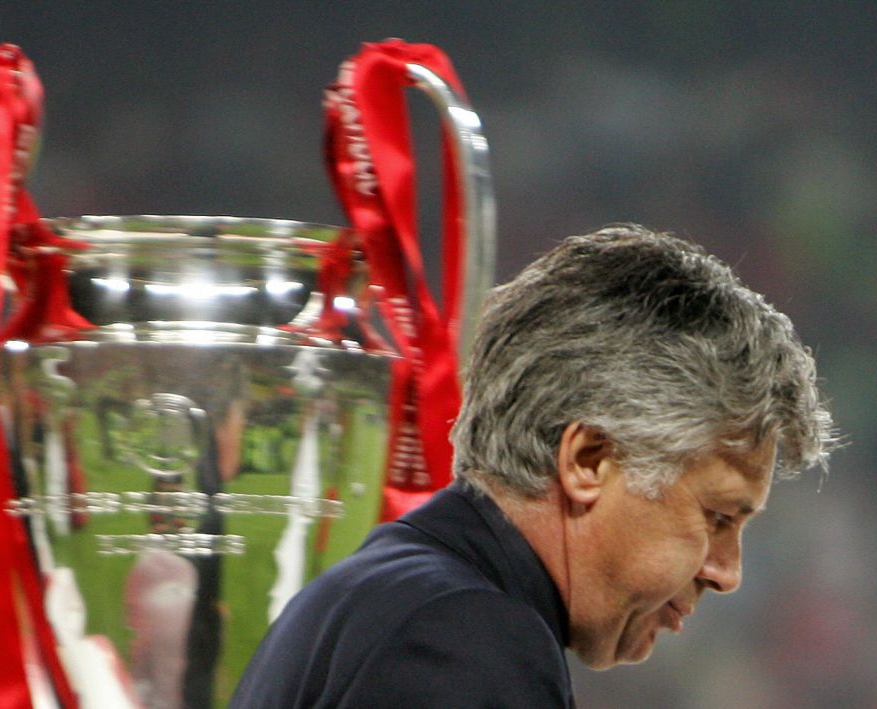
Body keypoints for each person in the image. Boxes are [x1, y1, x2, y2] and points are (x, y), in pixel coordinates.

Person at [229, 225, 835, 708]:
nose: (727, 573)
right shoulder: (464, 639)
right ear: (588, 461)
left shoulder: (392, 591)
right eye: (718, 516)